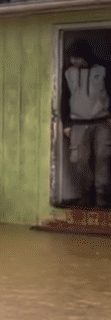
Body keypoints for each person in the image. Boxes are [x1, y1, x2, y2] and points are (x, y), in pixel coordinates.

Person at [61, 39, 111, 207]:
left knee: (103, 158)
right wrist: (66, 123)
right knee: (78, 159)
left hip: (102, 122)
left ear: (85, 56)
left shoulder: (103, 70)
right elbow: (63, 98)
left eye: (76, 57)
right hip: (77, 123)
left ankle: (101, 194)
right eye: (71, 58)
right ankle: (86, 193)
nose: (73, 61)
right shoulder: (68, 73)